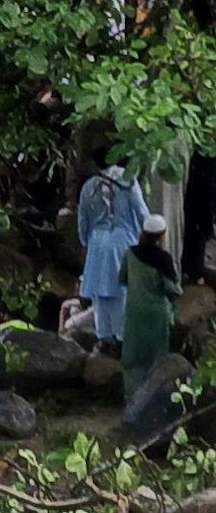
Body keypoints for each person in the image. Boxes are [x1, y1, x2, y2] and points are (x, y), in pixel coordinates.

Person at [78, 163, 150, 352]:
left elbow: (82, 222)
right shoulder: (128, 182)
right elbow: (142, 213)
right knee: (122, 292)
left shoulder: (89, 186)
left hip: (97, 242)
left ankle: (104, 337)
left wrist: (87, 241)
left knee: (99, 295)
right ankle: (121, 337)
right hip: (122, 241)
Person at [121, 213, 181, 399]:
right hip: (156, 313)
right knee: (157, 357)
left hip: (134, 311)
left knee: (132, 357)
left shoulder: (130, 253)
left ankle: (131, 397)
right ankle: (153, 399)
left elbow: (122, 279)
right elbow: (172, 289)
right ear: (162, 235)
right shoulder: (164, 259)